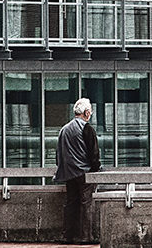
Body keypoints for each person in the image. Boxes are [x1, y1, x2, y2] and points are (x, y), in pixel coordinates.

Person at [54, 97, 101, 244]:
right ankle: (85, 236)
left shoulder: (64, 129)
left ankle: (68, 235)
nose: (91, 114)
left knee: (70, 203)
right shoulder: (87, 129)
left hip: (68, 173)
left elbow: (58, 154)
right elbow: (94, 154)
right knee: (86, 204)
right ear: (86, 113)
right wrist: (95, 169)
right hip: (84, 173)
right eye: (90, 112)